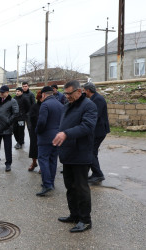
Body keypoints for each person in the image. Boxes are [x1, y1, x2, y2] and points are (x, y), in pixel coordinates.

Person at [52, 80, 97, 233]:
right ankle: (74, 215)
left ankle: (85, 220)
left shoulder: (89, 105)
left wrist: (66, 134)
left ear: (79, 91)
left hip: (81, 153)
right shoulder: (67, 105)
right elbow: (64, 125)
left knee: (81, 188)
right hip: (68, 153)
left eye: (70, 93)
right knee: (70, 187)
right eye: (65, 93)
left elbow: (87, 127)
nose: (67, 96)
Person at [36, 86, 63, 196]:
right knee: (53, 160)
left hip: (46, 137)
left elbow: (42, 122)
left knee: (43, 160)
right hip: (57, 136)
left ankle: (47, 185)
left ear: (43, 95)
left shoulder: (45, 104)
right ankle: (51, 183)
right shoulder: (60, 105)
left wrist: (37, 131)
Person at [83, 82, 110, 183]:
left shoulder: (97, 99)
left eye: (84, 90)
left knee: (91, 152)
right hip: (97, 130)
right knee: (92, 152)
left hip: (99, 131)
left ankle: (98, 174)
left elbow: (95, 115)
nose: (83, 92)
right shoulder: (95, 98)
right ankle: (95, 173)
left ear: (88, 90)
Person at [0, 85, 19, 172]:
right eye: (0, 92)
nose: (1, 93)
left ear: (7, 92)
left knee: (7, 147)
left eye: (3, 92)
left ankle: (8, 164)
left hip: (6, 128)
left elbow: (16, 113)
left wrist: (8, 122)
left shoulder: (12, 101)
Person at [28, 91, 42, 172]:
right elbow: (31, 118)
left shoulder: (46, 106)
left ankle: (41, 165)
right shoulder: (34, 106)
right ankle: (34, 163)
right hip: (34, 130)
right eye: (40, 98)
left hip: (43, 130)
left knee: (41, 148)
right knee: (34, 147)